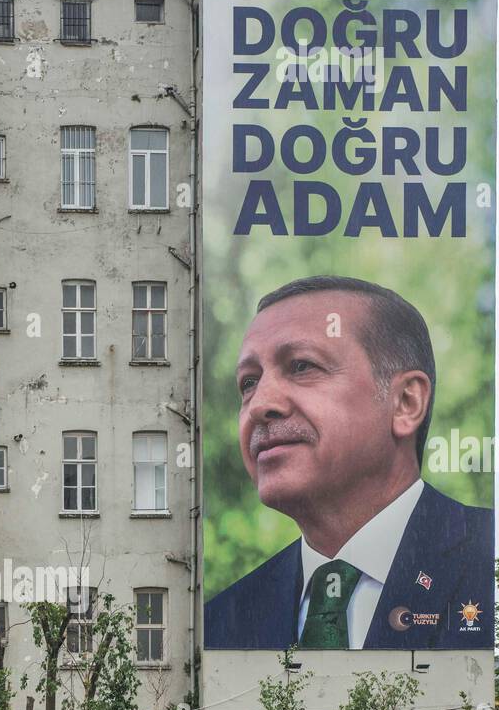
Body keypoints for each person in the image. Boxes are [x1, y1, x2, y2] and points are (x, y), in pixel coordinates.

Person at [205, 276, 493, 650]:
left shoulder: (489, 558)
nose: (259, 404)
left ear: (406, 402)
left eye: (301, 366)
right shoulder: (221, 622)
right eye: (248, 383)